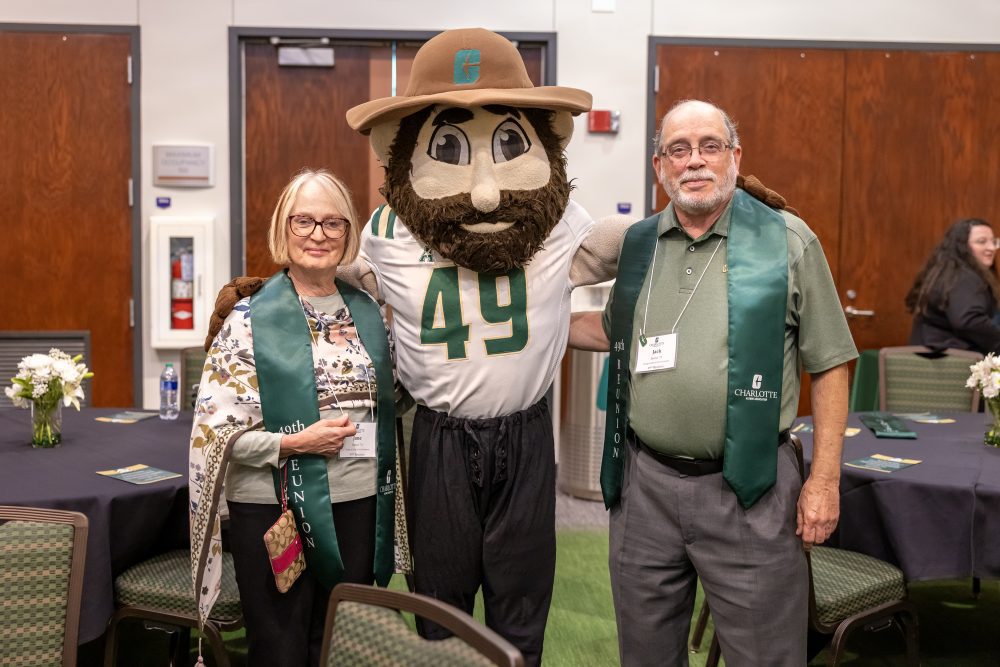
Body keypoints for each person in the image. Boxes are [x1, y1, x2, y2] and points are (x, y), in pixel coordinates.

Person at [572, 99, 857, 666]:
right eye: (679, 150)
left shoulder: (786, 241)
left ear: (734, 157)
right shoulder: (639, 245)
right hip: (644, 486)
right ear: (660, 167)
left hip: (748, 489)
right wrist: (515, 331)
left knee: (764, 655)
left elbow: (829, 361)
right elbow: (612, 332)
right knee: (646, 651)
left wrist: (824, 480)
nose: (694, 162)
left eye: (710, 146)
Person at [188, 169, 398, 666]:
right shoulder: (246, 320)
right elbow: (213, 437)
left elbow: (389, 404)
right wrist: (294, 444)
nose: (318, 235)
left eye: (333, 223)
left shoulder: (368, 313)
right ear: (284, 228)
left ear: (348, 234)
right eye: (304, 222)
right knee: (280, 650)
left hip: (358, 501)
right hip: (273, 506)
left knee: (341, 646)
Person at [906, 218, 1000, 354]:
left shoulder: (949, 274)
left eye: (994, 242)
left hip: (932, 357)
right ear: (961, 246)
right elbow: (969, 321)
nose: (991, 248)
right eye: (982, 241)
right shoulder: (964, 277)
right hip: (952, 361)